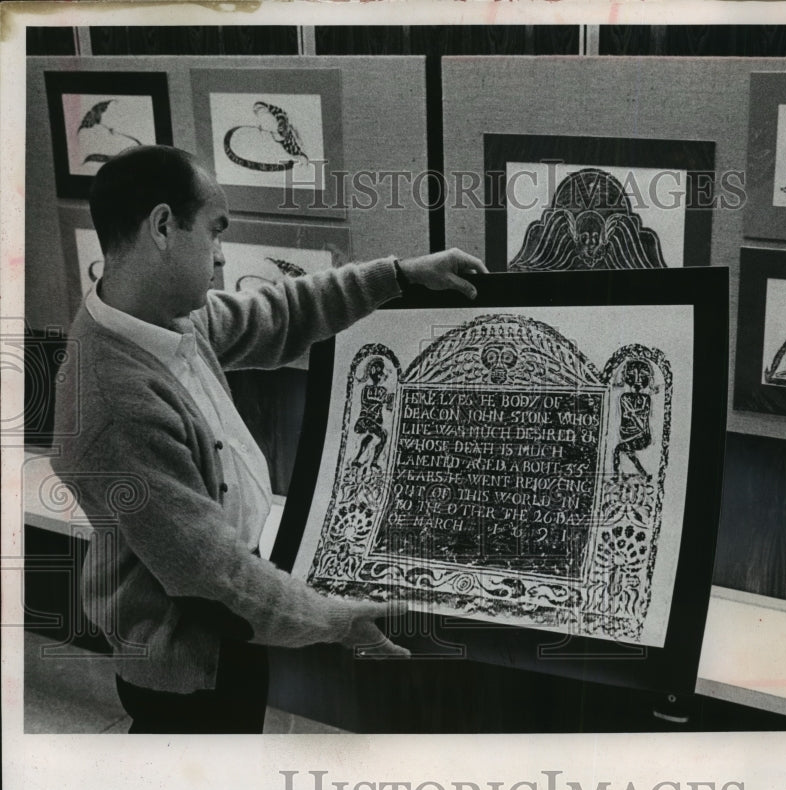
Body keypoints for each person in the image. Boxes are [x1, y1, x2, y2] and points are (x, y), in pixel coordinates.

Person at [52, 145, 486, 733]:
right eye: (215, 231)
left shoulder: (163, 320)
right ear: (162, 226)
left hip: (221, 627)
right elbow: (214, 578)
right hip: (192, 661)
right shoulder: (115, 401)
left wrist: (400, 275)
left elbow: (280, 311)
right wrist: (333, 620)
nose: (223, 255)